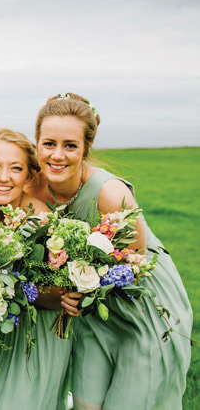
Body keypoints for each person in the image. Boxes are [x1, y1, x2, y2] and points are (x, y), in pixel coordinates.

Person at [29, 93, 192, 409]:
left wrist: (74, 281)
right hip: (95, 315)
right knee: (86, 405)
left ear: (85, 149)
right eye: (49, 144)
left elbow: (135, 264)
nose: (57, 155)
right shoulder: (32, 186)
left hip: (143, 311)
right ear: (36, 143)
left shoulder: (110, 194)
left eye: (70, 145)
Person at [0, 128, 73, 409]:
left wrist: (11, 292)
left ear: (28, 175)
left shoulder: (40, 219)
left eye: (16, 168)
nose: (3, 177)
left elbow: (59, 290)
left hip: (34, 336)